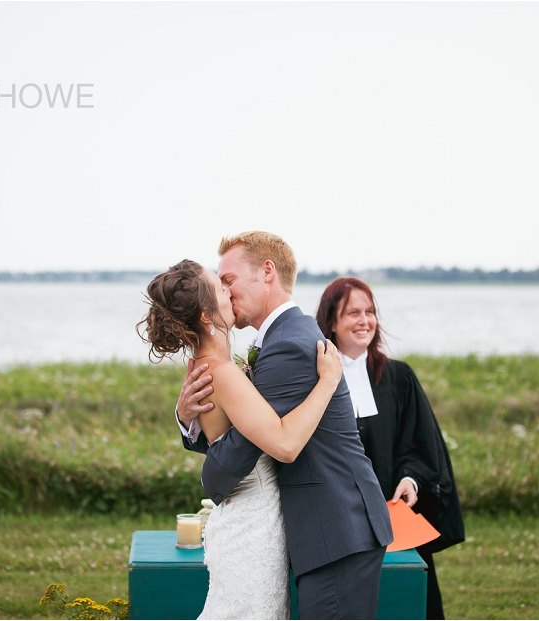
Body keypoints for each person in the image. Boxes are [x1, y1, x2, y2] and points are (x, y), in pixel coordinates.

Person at [177, 231, 393, 619]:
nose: (225, 293)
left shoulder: (287, 345)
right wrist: (187, 419)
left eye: (228, 281)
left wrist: (211, 477)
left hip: (336, 529)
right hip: (332, 528)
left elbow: (245, 452)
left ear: (267, 272)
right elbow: (249, 431)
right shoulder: (282, 336)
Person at [137, 259, 344, 619]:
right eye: (221, 288)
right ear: (206, 314)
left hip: (248, 519)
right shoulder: (222, 373)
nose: (230, 291)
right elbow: (285, 444)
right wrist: (328, 382)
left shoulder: (206, 366)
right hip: (251, 528)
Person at [314, 277, 464, 619]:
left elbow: (421, 445)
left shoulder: (398, 378)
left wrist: (410, 479)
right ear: (332, 322)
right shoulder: (315, 378)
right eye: (353, 313)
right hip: (335, 523)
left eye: (369, 312)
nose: (364, 320)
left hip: (394, 521)